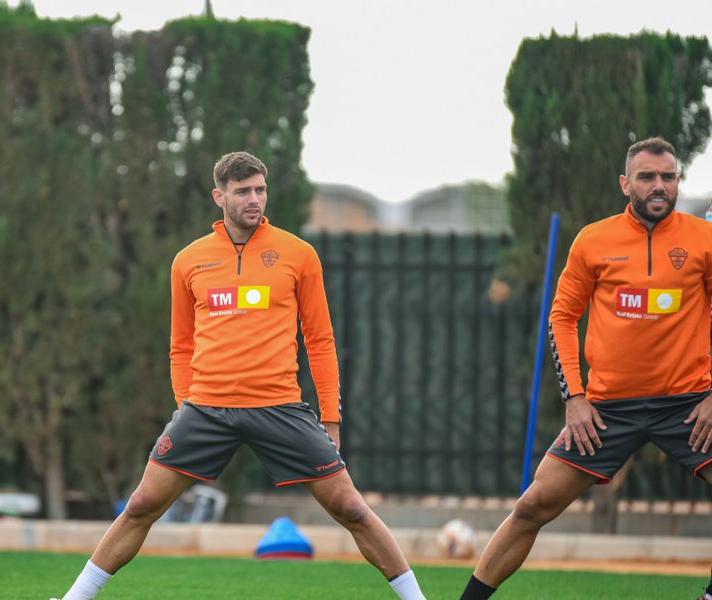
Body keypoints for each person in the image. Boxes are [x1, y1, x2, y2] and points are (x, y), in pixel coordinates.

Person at [53, 151, 426, 600]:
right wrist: (186, 405)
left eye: (260, 189)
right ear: (219, 196)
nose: (254, 199)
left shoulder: (298, 254)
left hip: (280, 406)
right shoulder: (187, 261)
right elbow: (180, 346)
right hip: (205, 409)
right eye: (243, 191)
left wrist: (331, 417)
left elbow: (321, 341)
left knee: (351, 507)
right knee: (140, 505)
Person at [459, 136, 712, 600]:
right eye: (647, 177)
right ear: (625, 183)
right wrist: (574, 398)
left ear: (678, 181)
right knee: (533, 505)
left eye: (668, 177)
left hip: (689, 405)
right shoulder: (594, 240)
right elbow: (560, 318)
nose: (660, 186)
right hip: (606, 410)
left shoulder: (704, 239)